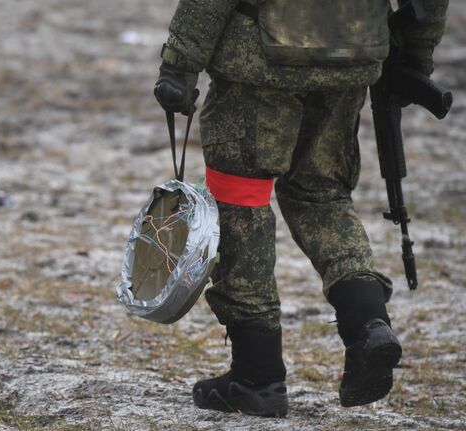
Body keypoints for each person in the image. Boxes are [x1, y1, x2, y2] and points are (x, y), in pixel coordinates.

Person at [153, 0, 448, 417]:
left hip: (261, 58)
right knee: (322, 193)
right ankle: (368, 324)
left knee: (241, 201)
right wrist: (416, 52)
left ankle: (257, 376)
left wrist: (180, 63)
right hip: (353, 51)